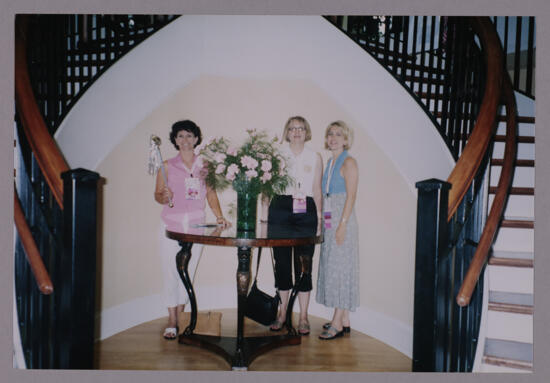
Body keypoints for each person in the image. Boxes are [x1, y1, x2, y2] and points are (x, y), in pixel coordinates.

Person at [154, 120, 229, 340]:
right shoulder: (166, 166)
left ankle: (180, 315)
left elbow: (211, 194)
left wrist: (219, 216)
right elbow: (157, 194)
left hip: (197, 226)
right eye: (180, 136)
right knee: (170, 272)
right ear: (175, 140)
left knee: (186, 272)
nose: (185, 140)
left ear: (196, 139)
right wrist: (163, 196)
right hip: (171, 225)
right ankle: (172, 320)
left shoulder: (206, 165)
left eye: (189, 136)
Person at [267, 116, 323, 335]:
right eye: (292, 128)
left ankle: (303, 316)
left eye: (301, 128)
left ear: (306, 131)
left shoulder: (315, 156)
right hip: (280, 208)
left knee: (304, 265)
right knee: (281, 264)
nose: (297, 132)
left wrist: (319, 219)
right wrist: (264, 217)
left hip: (306, 210)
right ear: (287, 132)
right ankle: (282, 314)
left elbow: (317, 190)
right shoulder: (276, 155)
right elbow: (268, 188)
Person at [316, 120, 359, 340]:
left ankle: (337, 323)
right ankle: (344, 319)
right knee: (333, 266)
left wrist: (341, 226)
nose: (333, 138)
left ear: (345, 139)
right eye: (330, 133)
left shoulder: (349, 162)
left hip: (344, 220)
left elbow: (351, 197)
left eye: (338, 134)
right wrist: (326, 224)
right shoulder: (331, 162)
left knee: (341, 270)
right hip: (331, 218)